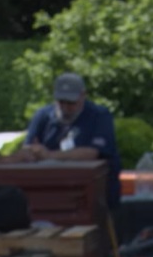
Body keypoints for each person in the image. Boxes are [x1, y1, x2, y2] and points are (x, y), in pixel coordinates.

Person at [14, 73, 121, 210]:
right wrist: (32, 152)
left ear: (83, 95)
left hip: (94, 196)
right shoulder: (43, 116)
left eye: (70, 102)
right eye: (61, 101)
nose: (65, 107)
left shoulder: (99, 116)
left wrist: (49, 155)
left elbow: (92, 153)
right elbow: (27, 148)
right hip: (50, 193)